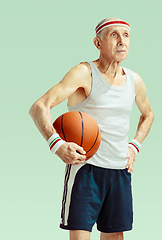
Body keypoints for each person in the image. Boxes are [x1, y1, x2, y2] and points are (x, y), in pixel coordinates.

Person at [29, 18, 154, 240]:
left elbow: (148, 115)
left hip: (120, 171)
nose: (122, 41)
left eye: (126, 35)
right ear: (98, 43)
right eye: (114, 35)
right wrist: (56, 144)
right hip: (86, 169)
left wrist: (134, 146)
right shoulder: (84, 72)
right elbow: (39, 107)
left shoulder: (134, 81)